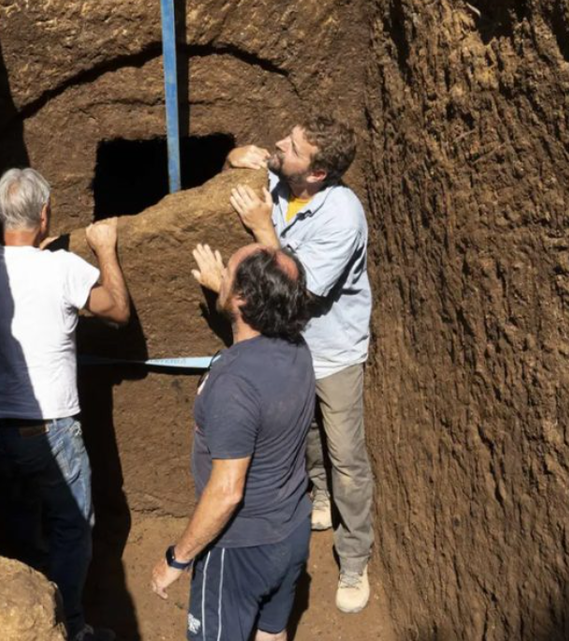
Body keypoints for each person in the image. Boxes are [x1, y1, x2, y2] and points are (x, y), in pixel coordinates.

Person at [0, 168, 130, 641]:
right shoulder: (63, 269)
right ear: (44, 215)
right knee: (72, 528)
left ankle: (28, 620)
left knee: (21, 523)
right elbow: (117, 310)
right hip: (48, 432)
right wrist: (104, 252)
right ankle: (70, 626)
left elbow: (21, 278)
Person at [224, 116, 375, 613]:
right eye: (286, 136)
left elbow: (300, 291)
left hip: (332, 352)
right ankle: (320, 496)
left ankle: (354, 559)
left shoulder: (342, 216)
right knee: (306, 433)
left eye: (290, 147)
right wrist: (240, 156)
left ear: (318, 173)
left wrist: (263, 229)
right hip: (291, 345)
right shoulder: (285, 179)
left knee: (347, 456)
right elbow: (247, 158)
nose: (278, 145)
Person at [150, 243, 314, 641]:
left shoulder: (233, 385)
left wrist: (178, 557)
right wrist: (224, 290)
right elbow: (253, 345)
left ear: (242, 299)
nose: (219, 272)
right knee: (271, 634)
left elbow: (226, 492)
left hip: (239, 548)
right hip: (291, 531)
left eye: (227, 270)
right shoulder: (298, 350)